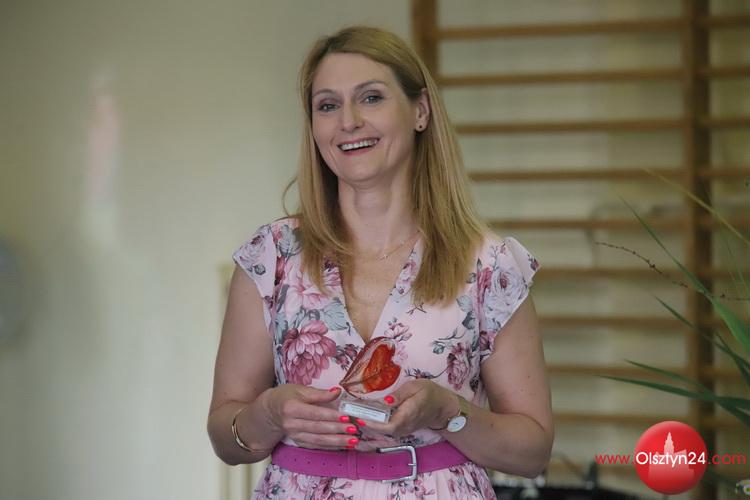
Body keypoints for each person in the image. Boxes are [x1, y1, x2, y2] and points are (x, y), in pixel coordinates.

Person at [207, 26, 553, 499]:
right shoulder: (272, 256)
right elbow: (225, 439)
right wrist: (267, 415)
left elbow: (532, 452)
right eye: (328, 105)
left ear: (420, 111)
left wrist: (448, 412)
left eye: (370, 98)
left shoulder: (489, 265)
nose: (348, 121)